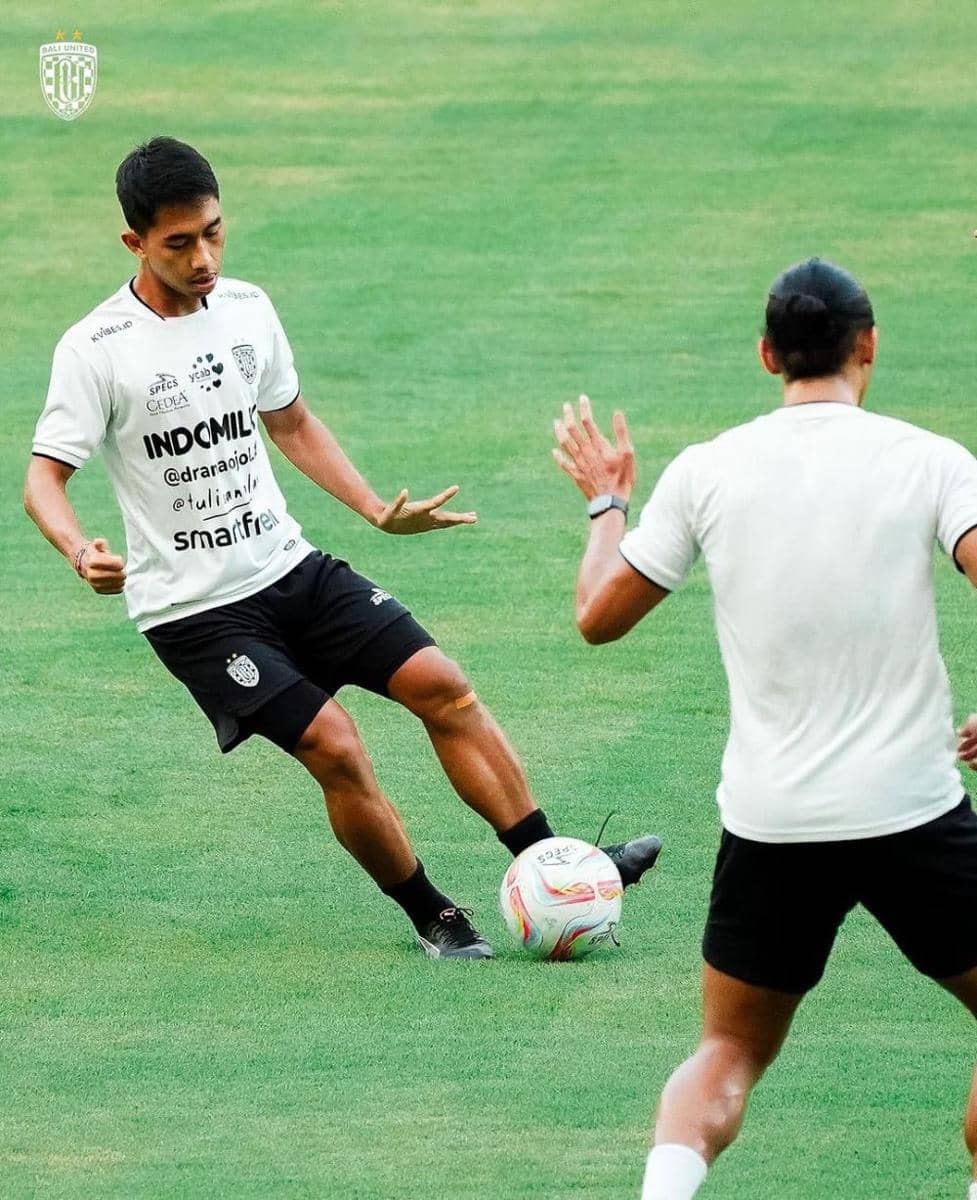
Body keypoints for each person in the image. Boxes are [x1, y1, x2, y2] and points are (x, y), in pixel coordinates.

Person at [24, 136, 661, 961]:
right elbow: (44, 480)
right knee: (335, 744)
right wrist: (81, 552)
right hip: (195, 610)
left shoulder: (247, 308)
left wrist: (371, 508)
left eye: (214, 232)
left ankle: (555, 865)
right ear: (135, 243)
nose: (204, 256)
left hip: (288, 566)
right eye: (179, 243)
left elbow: (289, 420)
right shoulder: (96, 349)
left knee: (444, 686)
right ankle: (433, 915)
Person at [552, 257, 977, 1197]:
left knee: (728, 1050)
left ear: (764, 356)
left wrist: (605, 503)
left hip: (772, 821)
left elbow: (597, 615)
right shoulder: (931, 461)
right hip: (912, 808)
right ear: (868, 347)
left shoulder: (709, 470)